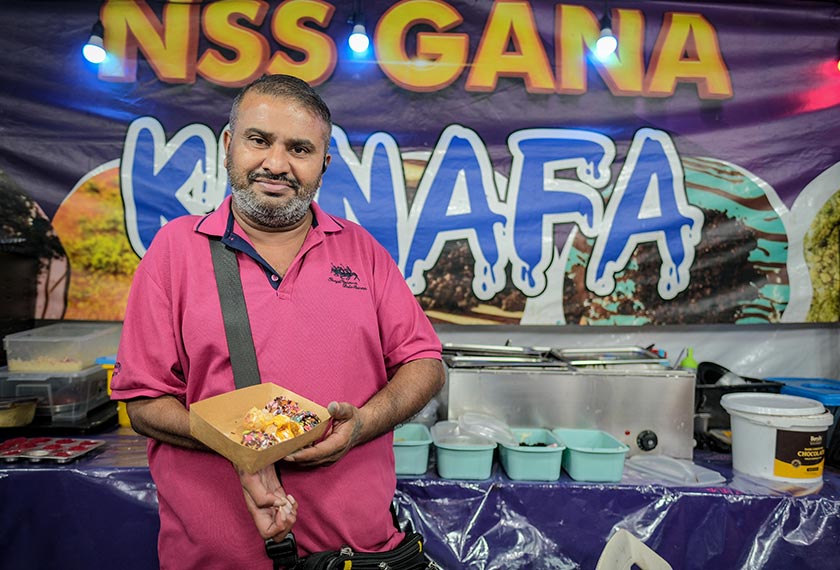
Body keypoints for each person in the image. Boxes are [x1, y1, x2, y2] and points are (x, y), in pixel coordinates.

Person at [110, 74, 445, 569]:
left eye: (300, 148)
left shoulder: (362, 251)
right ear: (229, 145)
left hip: (360, 554)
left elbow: (425, 362)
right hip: (216, 558)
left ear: (323, 165)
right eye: (259, 140)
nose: (276, 163)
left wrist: (359, 427)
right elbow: (143, 401)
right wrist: (244, 447)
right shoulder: (174, 252)